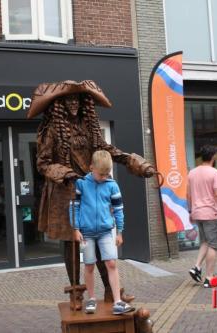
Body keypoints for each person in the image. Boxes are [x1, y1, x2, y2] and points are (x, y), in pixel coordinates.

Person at [28, 80, 155, 309]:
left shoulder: (89, 127)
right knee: (72, 242)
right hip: (65, 192)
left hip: (92, 190)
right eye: (68, 100)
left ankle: (110, 291)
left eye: (77, 99)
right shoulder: (52, 130)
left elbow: (107, 151)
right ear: (59, 104)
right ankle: (77, 292)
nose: (73, 103)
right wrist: (65, 173)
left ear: (84, 102)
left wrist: (133, 162)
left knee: (99, 238)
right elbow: (43, 163)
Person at [72, 150, 135, 315]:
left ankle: (118, 302)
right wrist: (76, 228)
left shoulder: (112, 185)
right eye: (101, 174)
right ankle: (91, 299)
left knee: (112, 263)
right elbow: (75, 207)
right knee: (89, 265)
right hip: (86, 233)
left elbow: (119, 210)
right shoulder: (81, 184)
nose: (104, 177)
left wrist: (120, 232)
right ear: (91, 167)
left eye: (107, 174)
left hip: (106, 231)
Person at [187, 145, 217, 288]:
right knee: (213, 245)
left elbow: (188, 194)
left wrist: (190, 211)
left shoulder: (192, 173)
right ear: (213, 157)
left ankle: (196, 267)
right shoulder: (215, 173)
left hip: (197, 212)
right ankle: (210, 278)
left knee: (205, 241)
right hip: (211, 213)